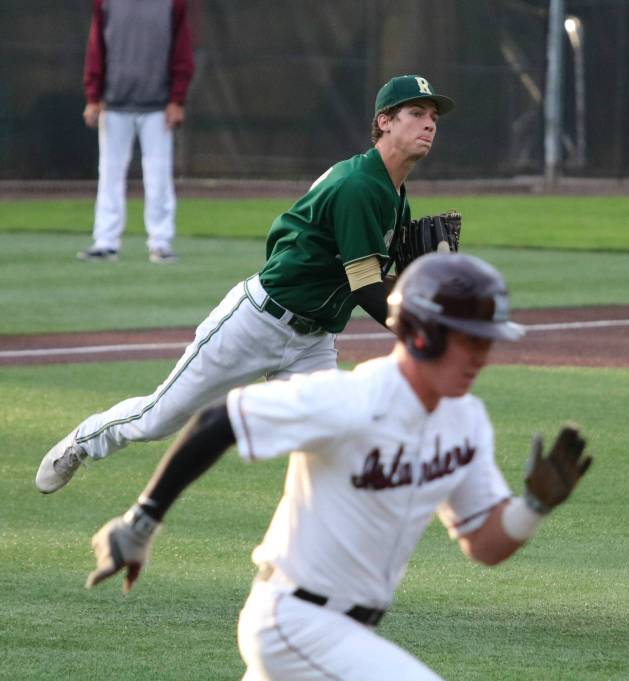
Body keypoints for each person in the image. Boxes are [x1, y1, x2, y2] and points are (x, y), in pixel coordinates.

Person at [84, 253, 593, 681]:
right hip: (292, 622)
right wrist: (141, 523)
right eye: (472, 340)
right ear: (421, 333)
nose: (484, 356)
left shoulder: (466, 421)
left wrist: (531, 508)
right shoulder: (351, 399)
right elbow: (219, 420)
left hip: (344, 634)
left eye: (488, 341)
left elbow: (483, 542)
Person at [36, 74, 455, 494]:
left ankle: (308, 546)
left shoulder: (395, 194)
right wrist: (422, 333)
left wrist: (417, 280)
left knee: (336, 439)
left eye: (433, 116)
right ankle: (83, 442)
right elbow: (365, 287)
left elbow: (370, 276)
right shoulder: (360, 186)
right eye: (416, 113)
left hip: (313, 341)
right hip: (258, 322)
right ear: (384, 121)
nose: (429, 124)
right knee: (158, 418)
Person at [78, 0, 195, 264]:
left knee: (158, 174)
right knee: (109, 171)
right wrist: (93, 97)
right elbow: (97, 48)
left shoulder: (172, 3)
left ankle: (160, 242)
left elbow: (182, 51)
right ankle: (106, 241)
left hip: (157, 106)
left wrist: (177, 99)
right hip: (114, 103)